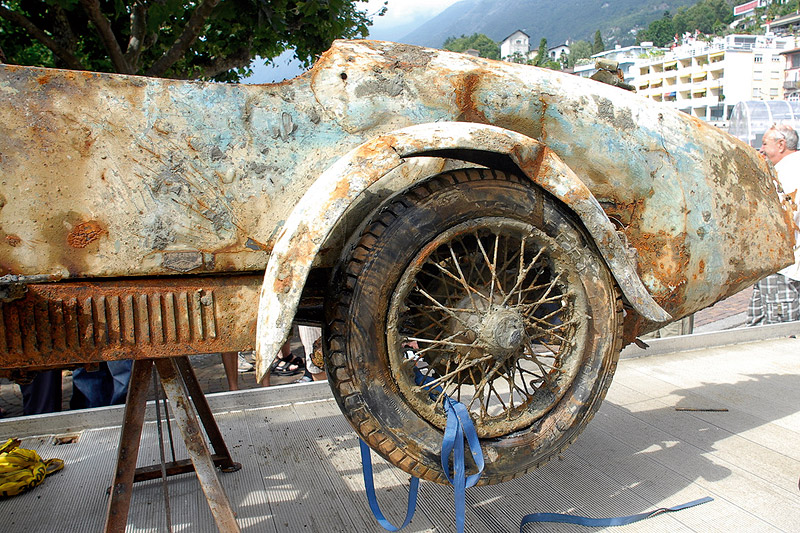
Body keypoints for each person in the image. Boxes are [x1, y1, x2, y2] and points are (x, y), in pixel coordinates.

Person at [747, 124, 800, 325]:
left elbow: (778, 216)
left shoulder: (786, 172)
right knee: (757, 324)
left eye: (765, 144)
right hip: (776, 267)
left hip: (782, 267)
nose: (761, 149)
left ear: (781, 145)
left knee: (777, 330)